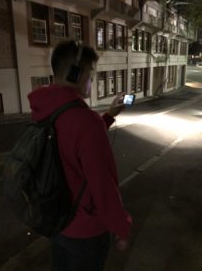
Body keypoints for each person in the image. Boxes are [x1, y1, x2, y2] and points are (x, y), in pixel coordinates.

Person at [28, 40, 132, 271]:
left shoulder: (43, 110)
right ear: (77, 74)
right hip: (85, 230)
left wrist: (107, 117)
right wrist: (121, 226)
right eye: (91, 74)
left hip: (56, 219)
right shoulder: (86, 122)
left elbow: (69, 145)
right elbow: (103, 185)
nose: (91, 81)